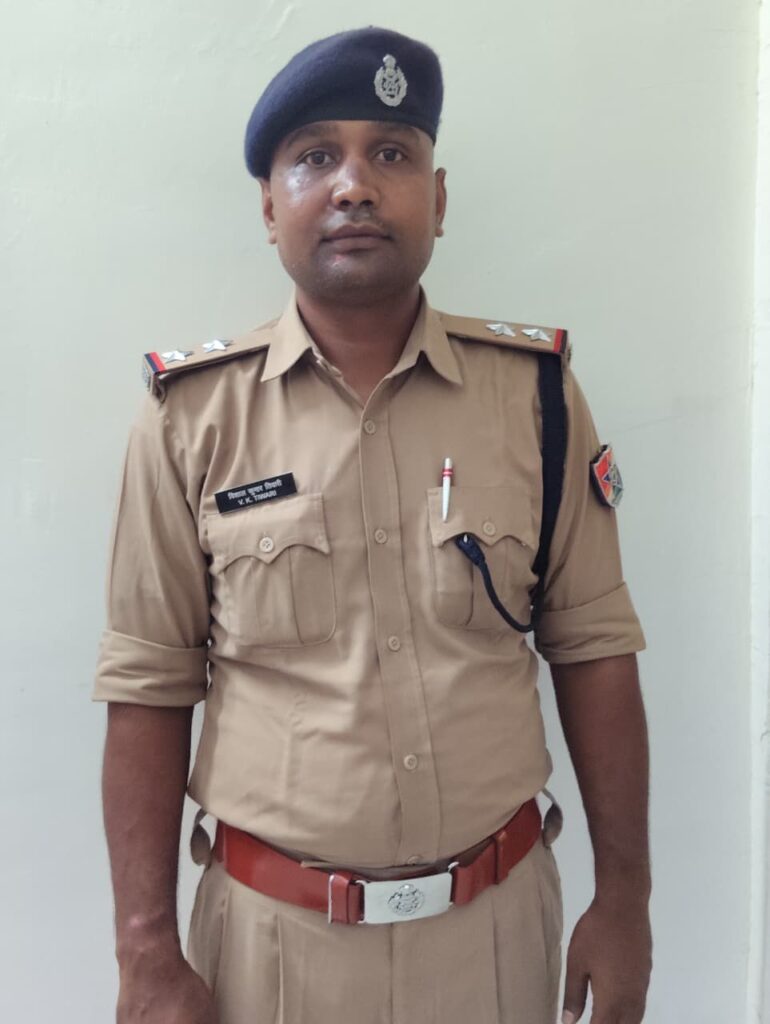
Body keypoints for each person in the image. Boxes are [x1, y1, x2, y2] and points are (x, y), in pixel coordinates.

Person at [94, 26, 652, 1024]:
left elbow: (595, 648)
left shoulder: (536, 398)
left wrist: (626, 902)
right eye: (315, 157)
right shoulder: (190, 418)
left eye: (389, 153)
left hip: (494, 937)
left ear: (436, 198)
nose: (353, 185)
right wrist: (144, 949)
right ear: (270, 207)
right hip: (271, 952)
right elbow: (147, 683)